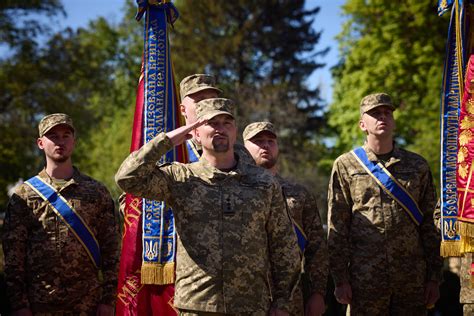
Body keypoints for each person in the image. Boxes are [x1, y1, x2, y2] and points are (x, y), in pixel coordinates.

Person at [115, 98, 300, 315]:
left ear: (235, 131)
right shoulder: (180, 177)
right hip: (197, 306)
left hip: (251, 305)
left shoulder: (263, 183)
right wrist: (166, 141)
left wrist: (282, 302)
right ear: (196, 132)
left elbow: (284, 244)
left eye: (226, 123)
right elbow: (127, 178)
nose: (220, 129)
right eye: (212, 123)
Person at [327, 93, 443, 315]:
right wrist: (340, 279)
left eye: (387, 112)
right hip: (365, 279)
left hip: (411, 278)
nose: (383, 117)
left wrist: (434, 277)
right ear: (362, 124)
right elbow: (337, 226)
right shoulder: (346, 165)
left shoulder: (417, 165)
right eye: (375, 113)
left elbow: (431, 224)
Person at [3, 113, 120, 315]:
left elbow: (112, 250)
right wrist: (19, 305)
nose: (60, 142)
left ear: (74, 141)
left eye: (66, 135)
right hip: (39, 305)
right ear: (40, 143)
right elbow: (13, 257)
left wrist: (108, 300)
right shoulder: (24, 195)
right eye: (53, 136)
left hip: (87, 305)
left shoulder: (96, 192)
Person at [243, 121, 329, 316]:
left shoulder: (299, 194)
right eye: (258, 141)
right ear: (244, 147)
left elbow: (317, 248)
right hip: (244, 297)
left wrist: (318, 293)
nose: (265, 145)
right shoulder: (234, 191)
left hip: (291, 298)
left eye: (271, 141)